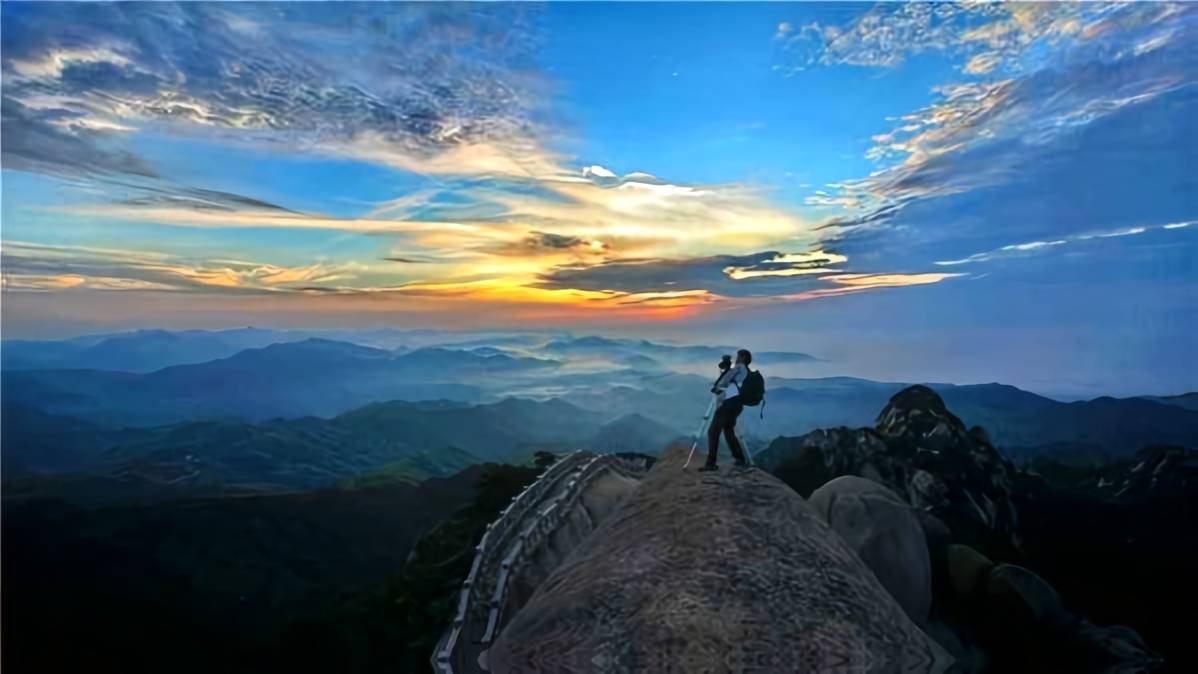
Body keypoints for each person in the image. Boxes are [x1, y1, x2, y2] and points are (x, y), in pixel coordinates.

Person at [700, 349, 751, 472]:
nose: (736, 359)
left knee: (713, 431)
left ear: (743, 357)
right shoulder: (745, 371)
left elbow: (724, 382)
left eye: (738, 356)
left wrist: (723, 377)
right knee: (728, 431)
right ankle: (740, 459)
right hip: (737, 405)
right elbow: (732, 384)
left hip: (729, 404)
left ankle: (711, 463)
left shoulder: (739, 368)